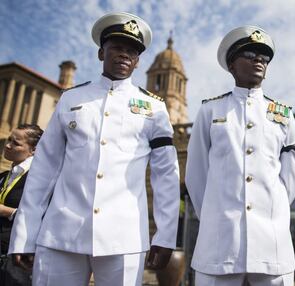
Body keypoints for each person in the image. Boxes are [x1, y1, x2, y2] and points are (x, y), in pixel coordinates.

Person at [8, 12, 180, 286]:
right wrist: (24, 235)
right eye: (117, 47)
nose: (124, 55)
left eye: (132, 51)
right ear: (101, 53)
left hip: (123, 237)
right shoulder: (70, 99)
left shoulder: (155, 108)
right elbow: (43, 170)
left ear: (137, 62)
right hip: (61, 233)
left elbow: (166, 176)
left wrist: (166, 235)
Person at [185, 25, 295, 286]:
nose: (258, 61)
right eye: (250, 54)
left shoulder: (283, 116)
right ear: (232, 65)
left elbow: (289, 182)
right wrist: (217, 216)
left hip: (271, 243)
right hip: (220, 241)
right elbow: (196, 175)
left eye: (264, 57)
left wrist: (272, 208)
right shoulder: (210, 111)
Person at [0, 124, 43, 285]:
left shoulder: (38, 179)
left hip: (19, 259)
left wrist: (7, 211)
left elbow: (44, 217)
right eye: (9, 139)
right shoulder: (5, 175)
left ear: (33, 150)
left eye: (16, 143)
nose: (8, 145)